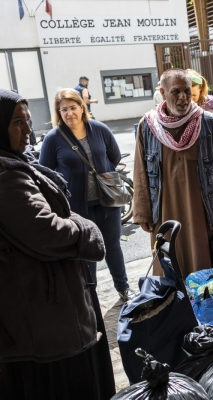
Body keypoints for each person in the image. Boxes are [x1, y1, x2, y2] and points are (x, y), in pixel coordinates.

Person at [0, 89, 115, 399]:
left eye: (27, 121)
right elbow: (49, 232)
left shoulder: (15, 163)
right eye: (16, 123)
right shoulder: (6, 177)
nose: (27, 131)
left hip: (44, 315)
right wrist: (86, 227)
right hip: (42, 319)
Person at [133, 69, 213, 278]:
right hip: (163, 211)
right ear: (162, 93)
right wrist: (142, 211)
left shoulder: (206, 122)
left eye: (187, 92)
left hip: (201, 210)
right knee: (168, 268)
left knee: (204, 267)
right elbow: (140, 172)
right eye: (175, 92)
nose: (183, 98)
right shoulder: (148, 126)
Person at [39, 89, 133, 302]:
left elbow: (115, 156)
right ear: (58, 112)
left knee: (113, 246)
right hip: (77, 208)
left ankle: (123, 288)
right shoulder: (53, 138)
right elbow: (45, 171)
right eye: (64, 109)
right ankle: (90, 296)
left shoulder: (99, 129)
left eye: (73, 107)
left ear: (82, 107)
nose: (69, 113)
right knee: (86, 252)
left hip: (107, 201)